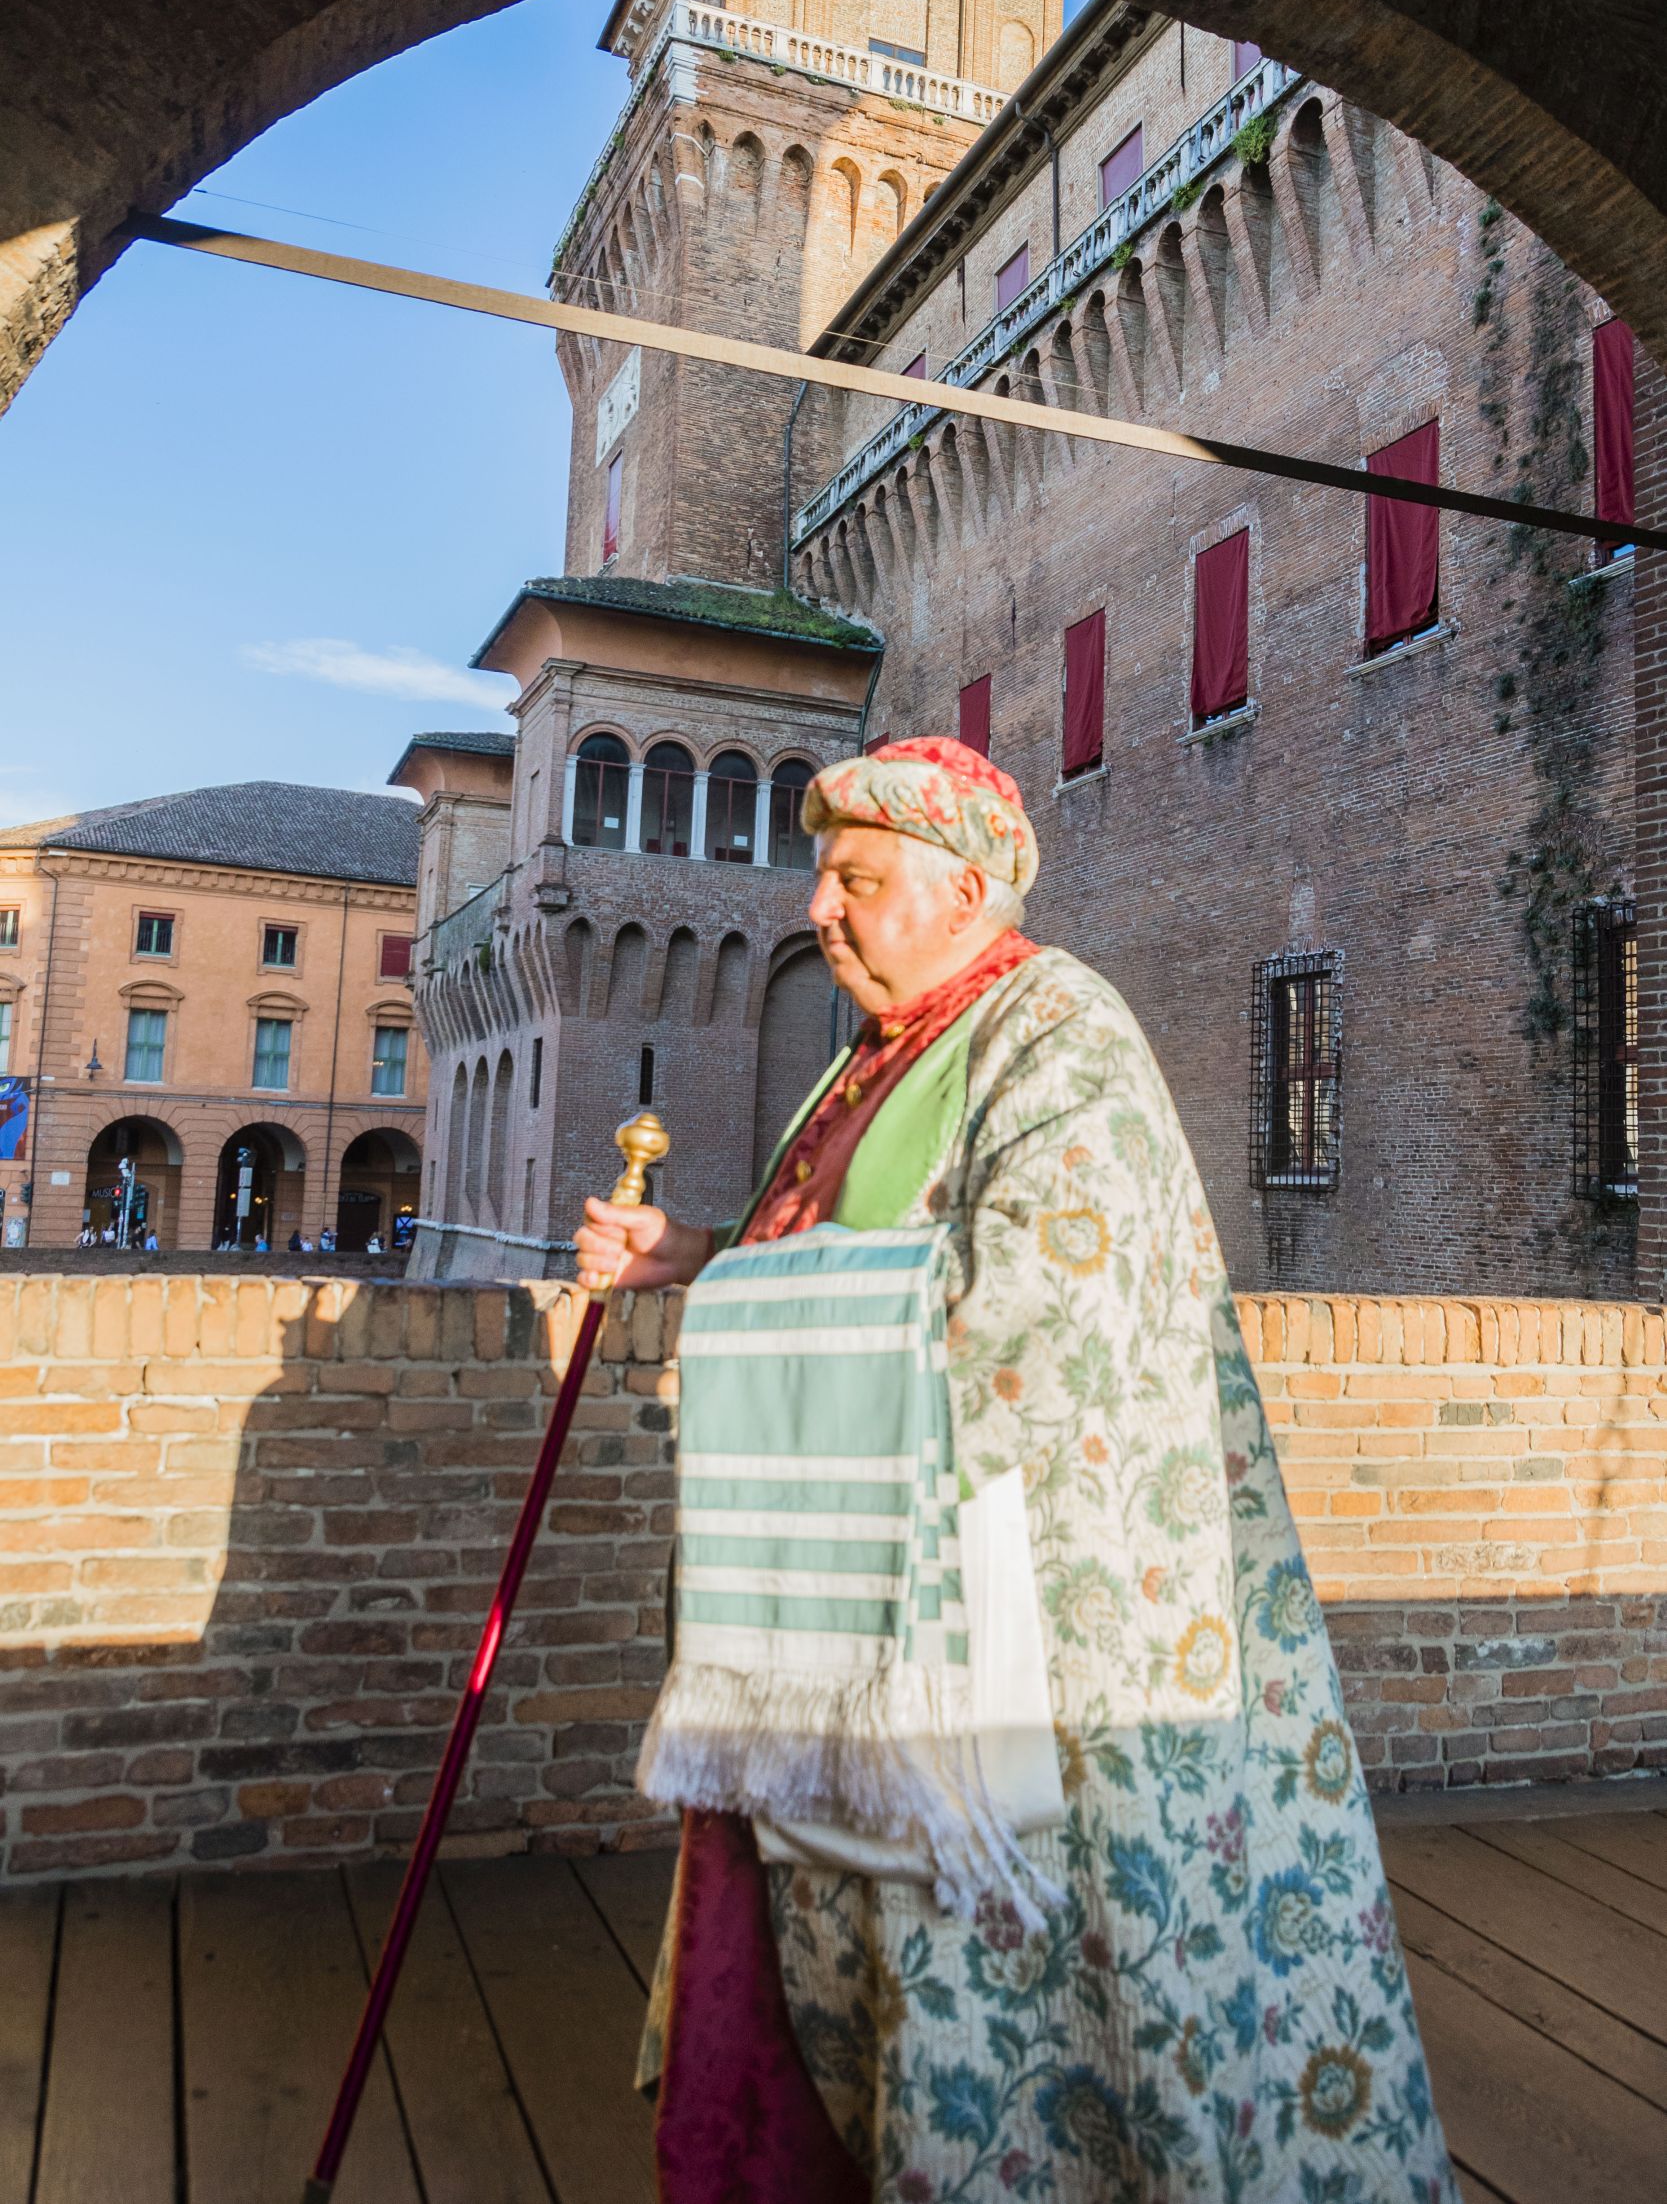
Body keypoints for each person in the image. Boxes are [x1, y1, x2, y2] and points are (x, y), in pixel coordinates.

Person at [575, 738, 1456, 2204]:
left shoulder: (1062, 1033)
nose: (820, 912)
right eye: (823, 880)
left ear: (968, 886)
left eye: (859, 882)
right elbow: (858, 1264)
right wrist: (697, 1258)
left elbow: (1043, 1310)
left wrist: (732, 1303)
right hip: (849, 1621)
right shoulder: (882, 1054)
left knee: (1039, 2018)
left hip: (1020, 1644)